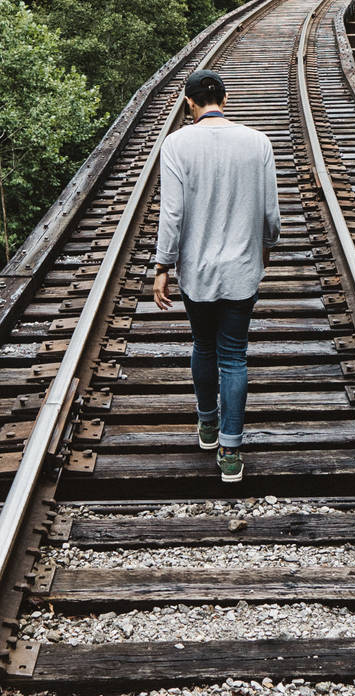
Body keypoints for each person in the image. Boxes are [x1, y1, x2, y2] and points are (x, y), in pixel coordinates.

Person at [150, 69, 281, 483]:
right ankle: (230, 451)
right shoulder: (258, 142)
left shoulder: (175, 145)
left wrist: (162, 267)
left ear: (189, 103)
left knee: (203, 345)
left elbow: (172, 215)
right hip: (242, 270)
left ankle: (208, 425)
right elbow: (270, 215)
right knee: (234, 355)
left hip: (198, 272)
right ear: (225, 98)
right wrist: (266, 246)